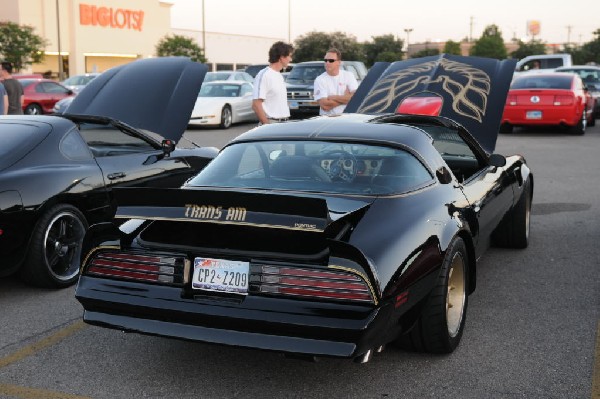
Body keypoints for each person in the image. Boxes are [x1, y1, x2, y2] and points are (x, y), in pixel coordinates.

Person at [252, 41, 293, 125]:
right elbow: (256, 104)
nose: (290, 59)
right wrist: (267, 126)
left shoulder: (279, 76)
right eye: (289, 56)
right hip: (271, 124)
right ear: (282, 57)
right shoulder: (264, 75)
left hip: (284, 123)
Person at [313, 48, 359, 116]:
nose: (327, 63)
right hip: (327, 121)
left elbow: (356, 98)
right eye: (325, 60)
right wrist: (346, 98)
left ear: (339, 62)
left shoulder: (349, 75)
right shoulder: (319, 80)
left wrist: (333, 97)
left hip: (347, 119)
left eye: (331, 60)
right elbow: (325, 106)